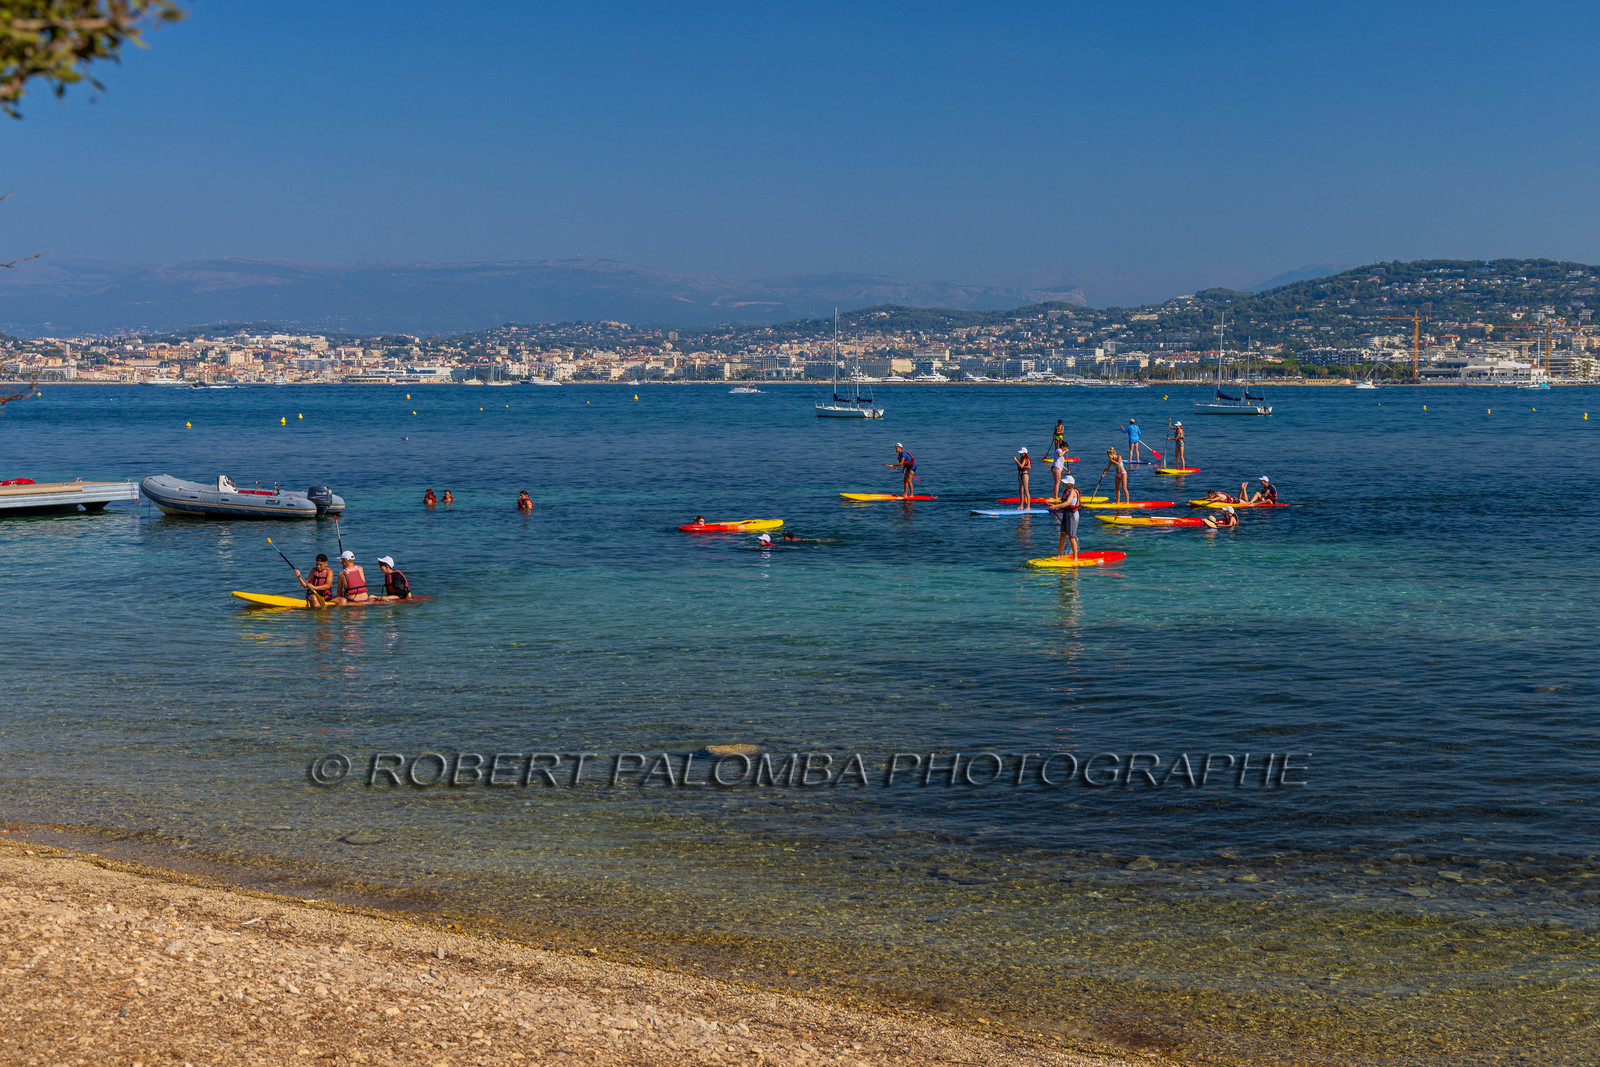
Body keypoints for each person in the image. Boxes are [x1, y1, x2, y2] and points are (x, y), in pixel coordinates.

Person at [1047, 475, 1082, 560]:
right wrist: (1057, 510)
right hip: (1066, 514)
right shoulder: (1066, 491)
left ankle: (1075, 557)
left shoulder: (1073, 492)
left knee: (1071, 536)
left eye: (1065, 482)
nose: (1063, 483)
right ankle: (1059, 556)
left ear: (1069, 484)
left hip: (1072, 515)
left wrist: (1055, 506)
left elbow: (1068, 503)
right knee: (1062, 535)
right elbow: (1065, 506)